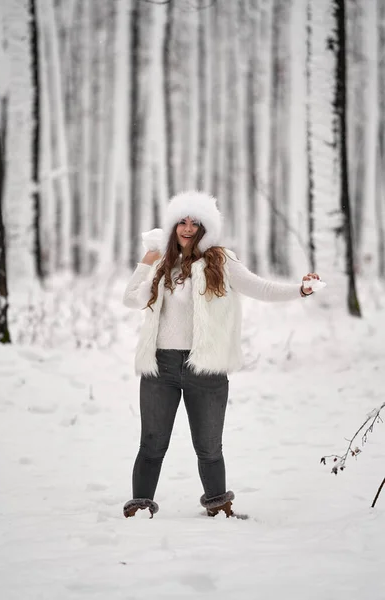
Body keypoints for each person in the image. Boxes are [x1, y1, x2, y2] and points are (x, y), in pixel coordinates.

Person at [122, 191, 320, 519]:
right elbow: (131, 299)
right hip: (160, 367)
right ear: (172, 226)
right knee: (152, 443)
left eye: (195, 222)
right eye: (181, 222)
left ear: (206, 228)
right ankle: (140, 506)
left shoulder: (221, 260)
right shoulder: (161, 263)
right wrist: (149, 256)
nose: (187, 228)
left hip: (206, 367)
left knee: (209, 447)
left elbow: (261, 288)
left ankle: (219, 504)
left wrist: (301, 289)